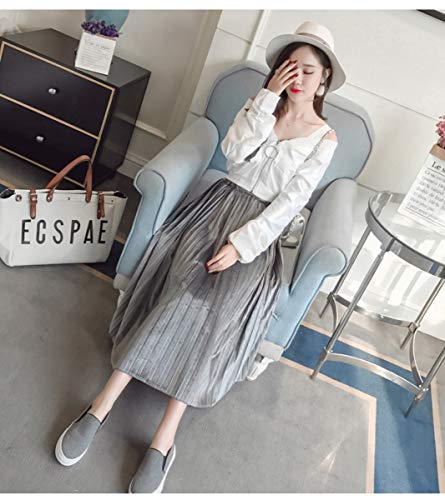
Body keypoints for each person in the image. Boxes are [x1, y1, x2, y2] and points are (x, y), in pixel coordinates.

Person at [54, 20, 346, 494]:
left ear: (325, 78)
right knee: (181, 284)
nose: (297, 77)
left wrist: (241, 246)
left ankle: (164, 440)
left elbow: (289, 203)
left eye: (308, 71)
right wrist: (266, 99)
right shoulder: (260, 105)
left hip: (259, 234)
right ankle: (100, 405)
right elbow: (234, 155)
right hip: (214, 208)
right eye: (290, 67)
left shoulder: (325, 139)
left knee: (222, 305)